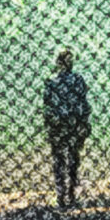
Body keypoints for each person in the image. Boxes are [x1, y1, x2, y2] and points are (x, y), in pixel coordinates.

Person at [42, 48, 91, 210]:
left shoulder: (54, 82)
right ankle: (66, 193)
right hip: (70, 124)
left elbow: (48, 108)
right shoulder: (75, 80)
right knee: (69, 159)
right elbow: (83, 105)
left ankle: (64, 194)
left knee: (63, 160)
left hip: (64, 125)